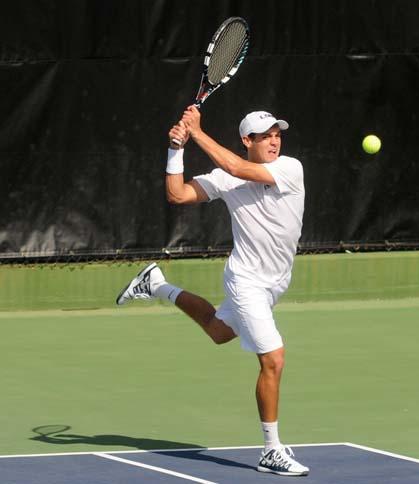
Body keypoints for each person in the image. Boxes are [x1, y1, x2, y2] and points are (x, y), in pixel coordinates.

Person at [116, 106, 308, 477]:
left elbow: (238, 169)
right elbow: (177, 195)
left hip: (276, 282)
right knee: (274, 359)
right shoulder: (226, 178)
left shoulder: (290, 168)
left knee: (220, 332)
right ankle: (271, 450)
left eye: (277, 134)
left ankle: (156, 284)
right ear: (246, 140)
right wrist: (176, 149)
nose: (274, 140)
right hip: (246, 280)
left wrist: (197, 132)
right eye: (265, 135)